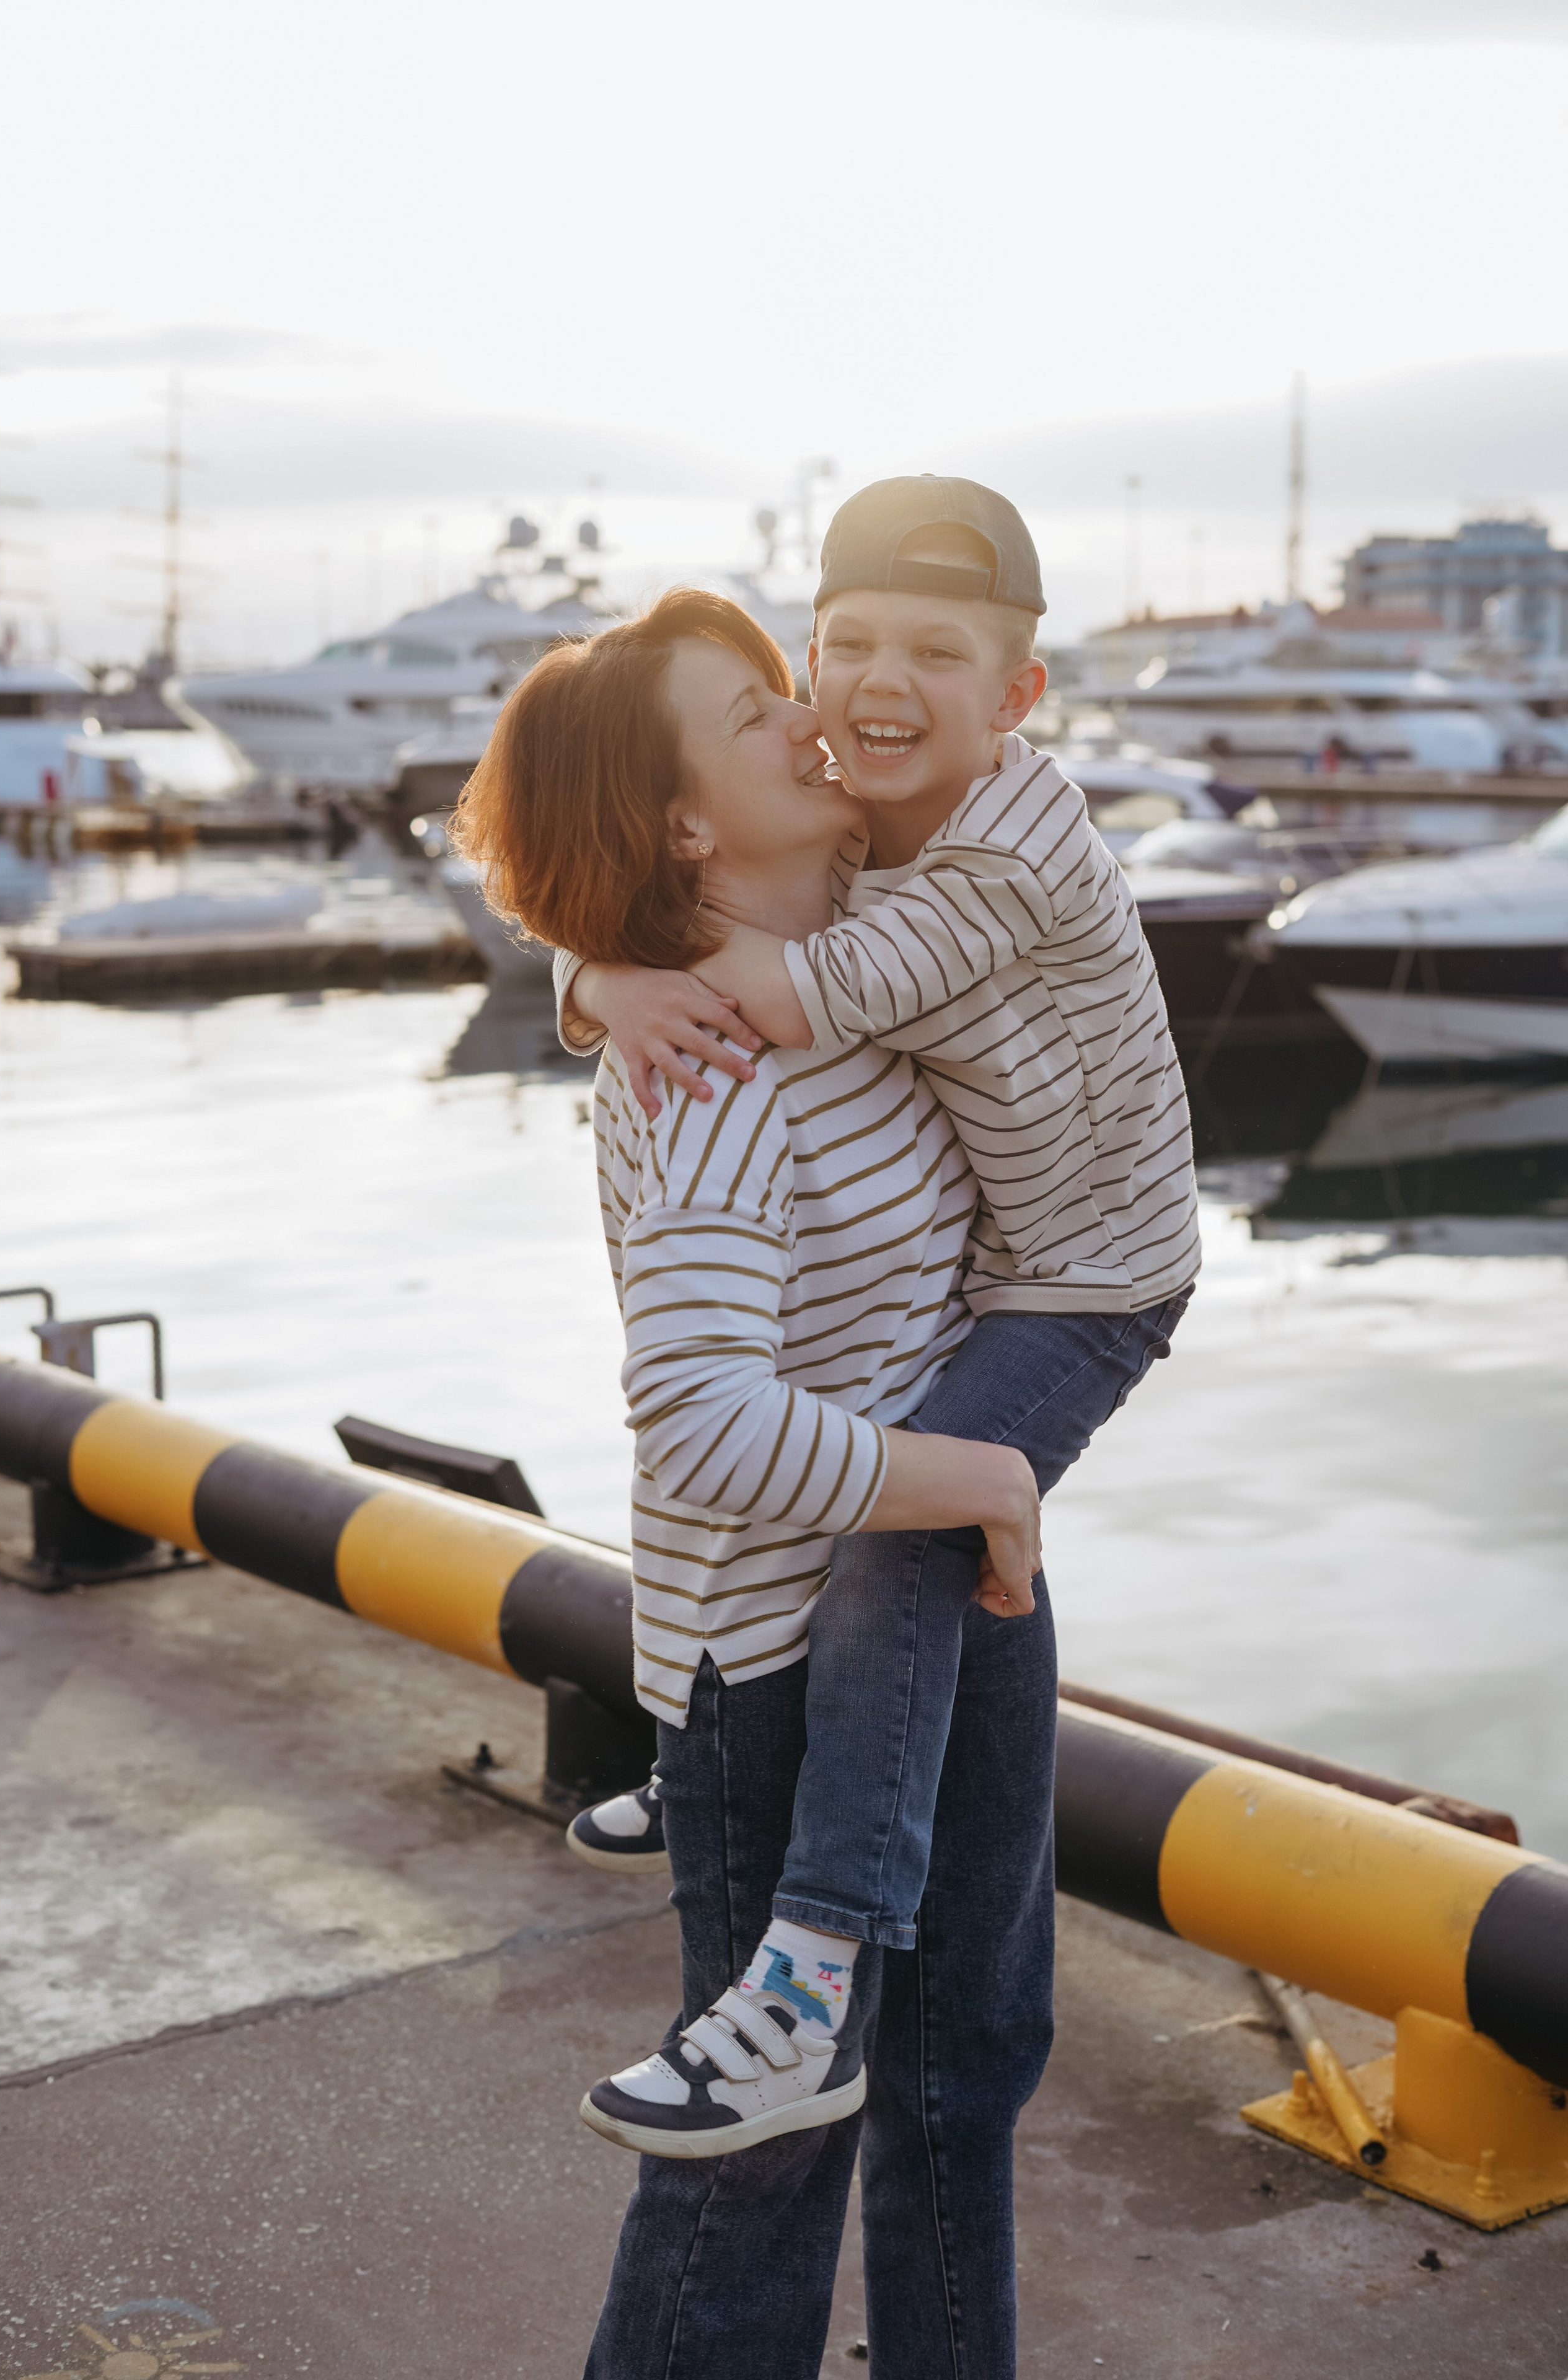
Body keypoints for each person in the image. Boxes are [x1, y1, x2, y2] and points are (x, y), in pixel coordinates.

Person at [454, 584, 1067, 2377]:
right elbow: (701, 1421)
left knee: (967, 2081)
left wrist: (585, 971)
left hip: (952, 1604)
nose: (813, 714)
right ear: (682, 827)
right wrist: (982, 1474)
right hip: (787, 1676)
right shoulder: (709, 1078)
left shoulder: (862, 945)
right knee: (770, 2152)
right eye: (753, 714)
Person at [559, 478, 1197, 2144]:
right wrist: (593, 977)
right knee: (914, 1509)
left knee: (902, 1528)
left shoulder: (1011, 848)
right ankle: (718, 1798)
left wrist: (614, 983)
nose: (869, 684)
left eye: (935, 648)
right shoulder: (854, 812)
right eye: (843, 647)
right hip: (1008, 1278)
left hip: (1093, 1288)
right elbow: (655, 837)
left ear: (1019, 696)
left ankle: (813, 1960)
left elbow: (788, 980)